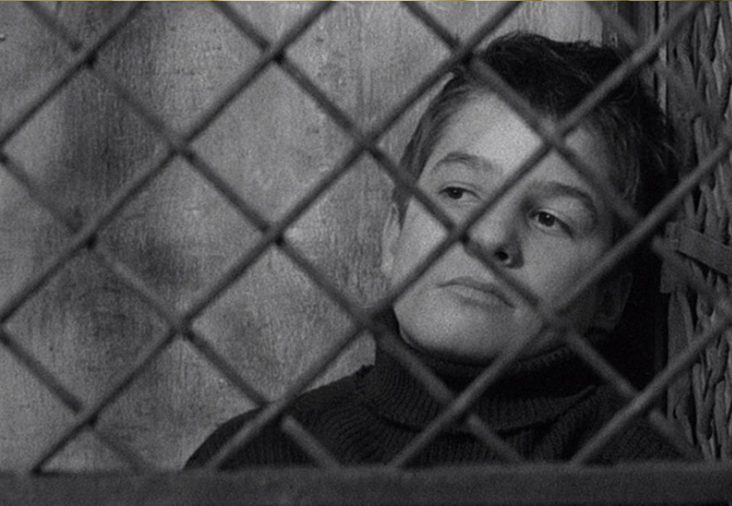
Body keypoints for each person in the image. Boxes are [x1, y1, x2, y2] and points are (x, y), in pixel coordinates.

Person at [186, 32, 685, 469]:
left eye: (549, 219)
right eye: (458, 192)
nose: (488, 237)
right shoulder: (255, 457)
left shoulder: (640, 476)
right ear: (393, 235)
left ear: (610, 298)